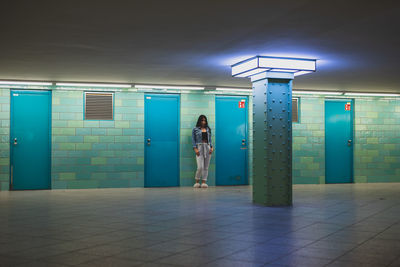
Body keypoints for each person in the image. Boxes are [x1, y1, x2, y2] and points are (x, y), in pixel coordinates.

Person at [192, 115, 213, 188]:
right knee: (200, 167)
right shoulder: (195, 129)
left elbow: (210, 139)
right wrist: (195, 149)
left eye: (204, 120)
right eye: (202, 120)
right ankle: (197, 181)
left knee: (206, 167)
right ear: (199, 121)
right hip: (199, 147)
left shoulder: (208, 129)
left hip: (207, 147)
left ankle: (204, 182)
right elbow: (193, 140)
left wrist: (211, 147)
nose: (203, 122)